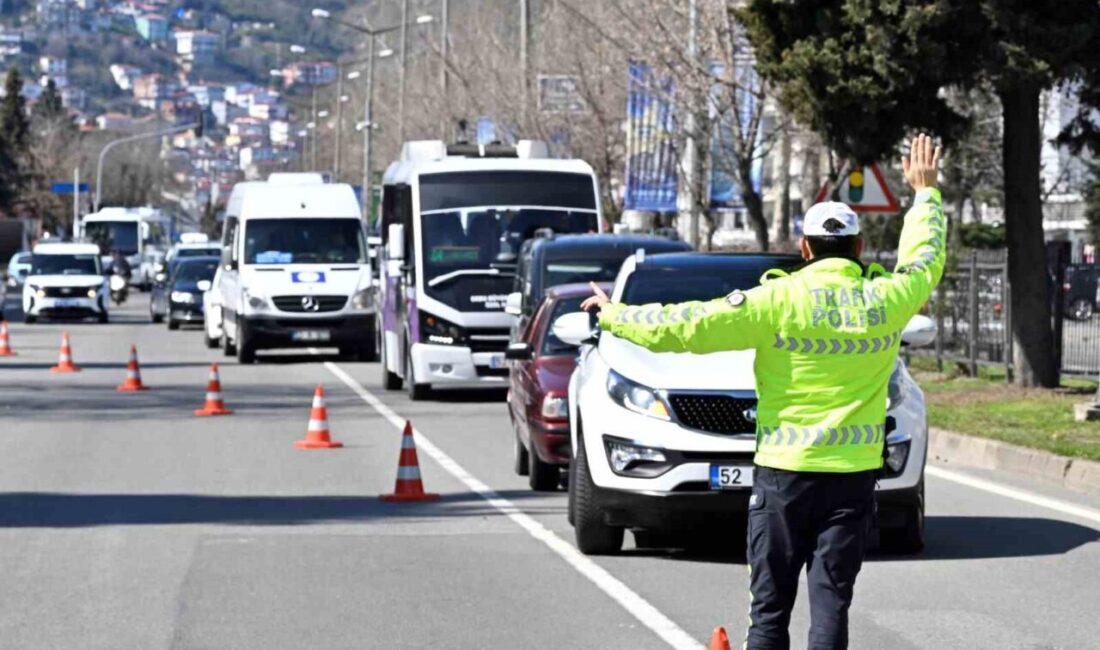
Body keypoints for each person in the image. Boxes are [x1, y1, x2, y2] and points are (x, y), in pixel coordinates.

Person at [581, 134, 945, 650]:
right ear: (860, 249)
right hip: (852, 477)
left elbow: (689, 325)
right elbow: (924, 261)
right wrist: (925, 194)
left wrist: (616, 315)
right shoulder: (886, 299)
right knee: (830, 604)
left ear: (804, 248)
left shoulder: (776, 299)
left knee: (770, 611)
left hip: (784, 477)